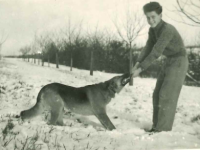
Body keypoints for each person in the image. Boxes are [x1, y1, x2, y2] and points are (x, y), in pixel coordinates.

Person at [132, 2, 188, 133]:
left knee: (166, 95)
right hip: (169, 61)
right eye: (148, 17)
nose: (150, 20)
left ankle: (162, 131)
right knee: (157, 94)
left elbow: (156, 52)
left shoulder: (168, 30)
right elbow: (148, 48)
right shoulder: (153, 30)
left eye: (153, 17)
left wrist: (140, 70)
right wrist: (136, 63)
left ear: (160, 15)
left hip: (179, 61)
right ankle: (156, 126)